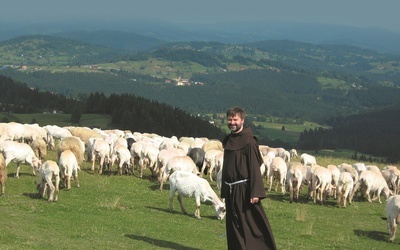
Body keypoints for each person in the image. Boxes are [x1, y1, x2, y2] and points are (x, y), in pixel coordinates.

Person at [221, 106, 277, 250]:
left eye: (235, 119)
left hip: (244, 189)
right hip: (231, 188)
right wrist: (225, 190)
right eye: (230, 119)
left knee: (251, 224)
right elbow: (227, 166)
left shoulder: (249, 141)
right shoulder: (229, 140)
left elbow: (254, 167)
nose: (232, 122)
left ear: (242, 120)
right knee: (233, 223)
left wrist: (256, 192)